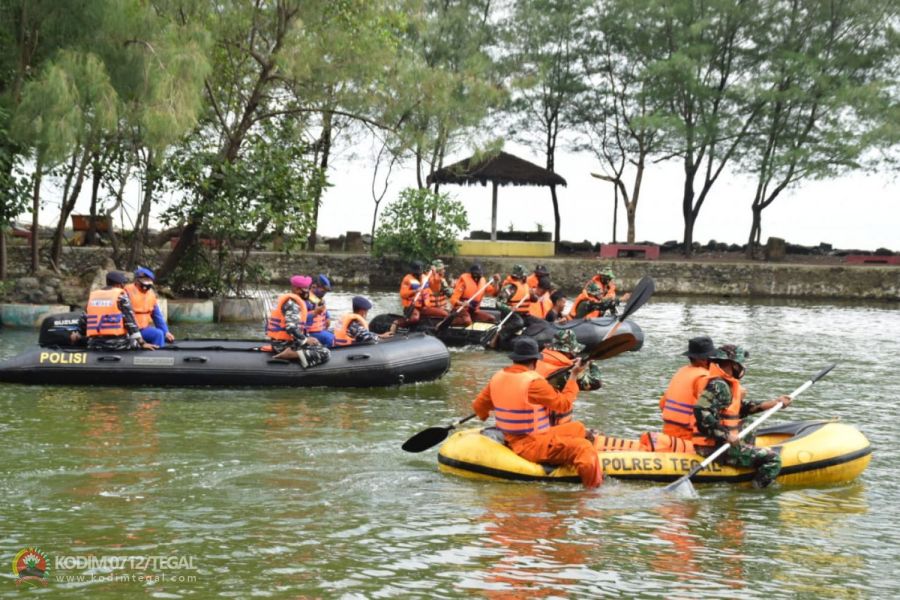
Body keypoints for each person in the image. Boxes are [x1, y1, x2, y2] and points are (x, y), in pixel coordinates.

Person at [472, 337, 603, 489]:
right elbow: (564, 404)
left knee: (577, 428)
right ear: (534, 361)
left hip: (516, 437)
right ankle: (593, 492)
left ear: (515, 359)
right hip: (529, 445)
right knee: (583, 447)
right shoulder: (534, 382)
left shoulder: (497, 377)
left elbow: (479, 408)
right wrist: (574, 375)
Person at [694, 344, 791, 488]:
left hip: (721, 443)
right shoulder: (718, 385)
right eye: (741, 364)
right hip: (716, 448)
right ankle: (755, 493)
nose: (743, 367)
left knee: (747, 424)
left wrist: (773, 403)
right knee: (773, 459)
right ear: (733, 364)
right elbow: (700, 409)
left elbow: (739, 408)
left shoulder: (724, 383)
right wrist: (725, 435)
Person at [79, 271, 156, 351]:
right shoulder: (121, 296)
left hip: (95, 344)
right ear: (118, 285)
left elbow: (83, 320)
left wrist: (79, 334)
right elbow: (130, 322)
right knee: (135, 342)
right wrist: (142, 343)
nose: (123, 286)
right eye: (123, 283)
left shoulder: (93, 296)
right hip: (118, 344)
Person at [536, 330, 604, 420]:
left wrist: (570, 363)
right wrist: (592, 363)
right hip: (549, 422)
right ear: (568, 352)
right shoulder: (565, 374)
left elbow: (557, 363)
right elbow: (596, 383)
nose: (575, 354)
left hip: (535, 414)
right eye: (573, 352)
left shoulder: (536, 361)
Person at [267, 275, 328, 367]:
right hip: (283, 345)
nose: (308, 291)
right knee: (325, 352)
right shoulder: (292, 304)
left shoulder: (292, 301)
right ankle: (290, 354)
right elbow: (291, 328)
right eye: (306, 288)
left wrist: (307, 338)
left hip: (281, 342)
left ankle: (296, 353)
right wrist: (305, 340)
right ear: (296, 289)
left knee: (317, 344)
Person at [124, 266, 174, 347]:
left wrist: (166, 331)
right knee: (158, 334)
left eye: (148, 281)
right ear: (137, 280)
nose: (146, 284)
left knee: (159, 333)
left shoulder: (151, 294)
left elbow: (157, 316)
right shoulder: (127, 291)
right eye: (144, 280)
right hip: (129, 330)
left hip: (143, 329)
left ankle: (157, 355)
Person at [306, 274, 334, 347]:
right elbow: (301, 319)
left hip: (320, 329)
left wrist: (327, 317)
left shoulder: (319, 299)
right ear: (314, 287)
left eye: (326, 291)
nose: (324, 293)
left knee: (335, 333)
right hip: (309, 332)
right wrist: (314, 313)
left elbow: (324, 312)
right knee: (331, 339)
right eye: (323, 290)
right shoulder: (306, 300)